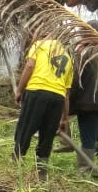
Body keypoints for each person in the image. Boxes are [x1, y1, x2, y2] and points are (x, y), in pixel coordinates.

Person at [13, 35, 74, 179]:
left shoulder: (40, 45)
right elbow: (66, 93)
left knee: (26, 127)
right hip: (57, 97)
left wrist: (19, 90)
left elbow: (29, 66)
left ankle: (16, 160)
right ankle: (42, 172)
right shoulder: (68, 57)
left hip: (37, 92)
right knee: (48, 134)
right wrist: (64, 118)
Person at [70, 20, 98, 175]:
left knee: (88, 137)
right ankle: (94, 169)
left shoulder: (85, 54)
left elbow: (76, 81)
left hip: (88, 104)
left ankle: (85, 170)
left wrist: (69, 104)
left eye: (83, 32)